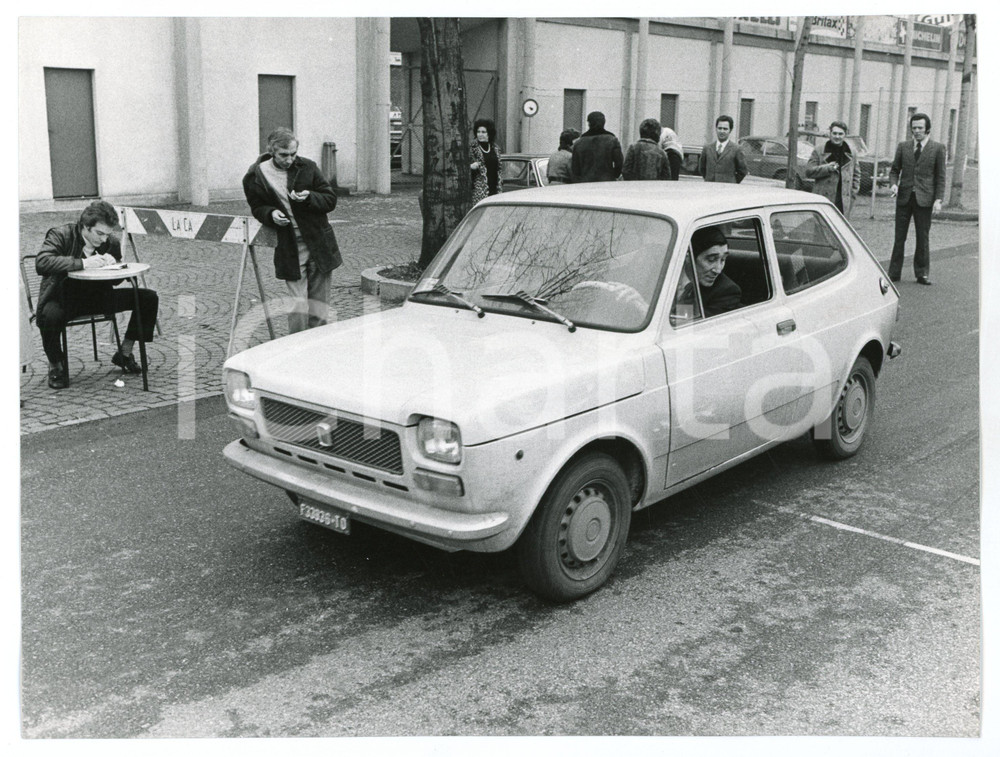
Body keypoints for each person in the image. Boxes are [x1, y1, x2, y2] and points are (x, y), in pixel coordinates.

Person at [34, 200, 159, 390]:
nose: (104, 239)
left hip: (99, 297)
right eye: (99, 233)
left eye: (108, 234)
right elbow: (42, 262)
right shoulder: (61, 234)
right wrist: (84, 263)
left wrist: (116, 265)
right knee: (49, 315)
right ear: (85, 226)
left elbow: (115, 281)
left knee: (148, 298)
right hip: (65, 297)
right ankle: (56, 364)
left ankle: (124, 353)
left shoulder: (110, 243)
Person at [243, 127, 342, 333]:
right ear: (271, 151)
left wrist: (310, 197)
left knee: (319, 306)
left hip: (318, 241)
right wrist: (270, 213)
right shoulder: (256, 176)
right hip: (290, 246)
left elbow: (330, 199)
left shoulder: (308, 167)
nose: (289, 160)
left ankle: (318, 343)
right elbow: (257, 206)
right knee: (298, 305)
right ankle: (295, 345)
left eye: (293, 154)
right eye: (283, 155)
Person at [887, 112, 947, 285]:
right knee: (899, 237)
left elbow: (941, 177)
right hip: (904, 198)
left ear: (927, 129)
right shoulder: (903, 146)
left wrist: (938, 199)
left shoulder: (937, 148)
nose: (917, 131)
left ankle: (922, 273)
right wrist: (893, 184)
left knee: (923, 236)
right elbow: (894, 170)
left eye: (920, 128)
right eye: (914, 128)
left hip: (925, 199)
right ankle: (894, 273)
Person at [672, 225, 742, 319]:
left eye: (723, 260)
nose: (718, 270)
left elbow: (684, 324)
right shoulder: (666, 272)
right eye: (711, 260)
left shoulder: (726, 292)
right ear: (688, 256)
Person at [806, 120, 860, 216]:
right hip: (824, 198)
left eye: (840, 134)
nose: (837, 136)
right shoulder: (819, 150)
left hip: (842, 200)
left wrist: (852, 195)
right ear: (830, 134)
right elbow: (809, 171)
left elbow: (856, 175)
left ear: (845, 135)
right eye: (834, 133)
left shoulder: (852, 152)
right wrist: (827, 168)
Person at [571, 111, 624, 183]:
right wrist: (613, 175)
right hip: (607, 182)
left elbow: (575, 170)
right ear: (604, 122)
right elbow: (619, 163)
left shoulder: (579, 143)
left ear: (589, 123)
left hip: (586, 183)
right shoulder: (612, 140)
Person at [698, 115, 747, 184]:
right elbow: (702, 168)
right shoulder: (707, 148)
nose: (722, 131)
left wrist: (732, 182)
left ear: (730, 130)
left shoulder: (736, 149)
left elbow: (742, 171)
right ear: (716, 129)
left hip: (728, 187)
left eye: (725, 129)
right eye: (719, 128)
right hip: (710, 186)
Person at [470, 118, 503, 204]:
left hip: (495, 189)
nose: (480, 134)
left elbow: (498, 169)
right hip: (479, 191)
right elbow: (463, 168)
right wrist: (471, 167)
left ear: (489, 133)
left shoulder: (495, 148)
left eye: (483, 132)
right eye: (478, 132)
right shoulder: (472, 149)